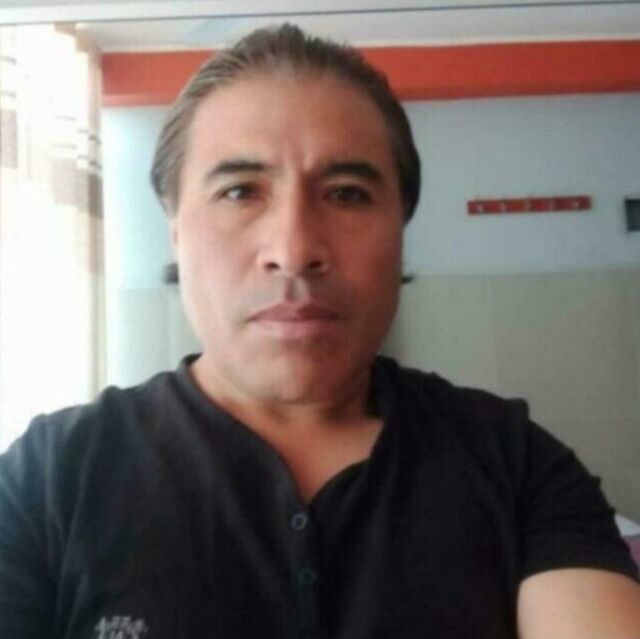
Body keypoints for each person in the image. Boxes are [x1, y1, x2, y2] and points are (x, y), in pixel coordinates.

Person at [0, 24, 639, 639]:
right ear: (175, 229)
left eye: (348, 194)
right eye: (240, 191)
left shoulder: (517, 466)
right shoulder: (48, 480)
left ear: (401, 227)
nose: (295, 249)